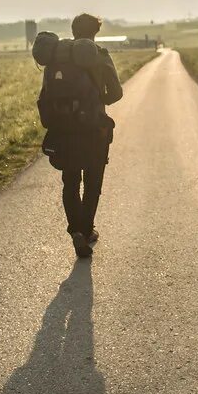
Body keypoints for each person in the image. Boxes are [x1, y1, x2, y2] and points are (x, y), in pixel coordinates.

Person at [39, 13, 123, 258]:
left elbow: (47, 92)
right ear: (95, 32)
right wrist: (100, 100)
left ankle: (76, 229)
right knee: (93, 181)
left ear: (73, 31)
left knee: (71, 179)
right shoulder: (99, 55)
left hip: (63, 128)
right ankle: (85, 231)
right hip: (93, 127)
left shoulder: (56, 56)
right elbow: (115, 93)